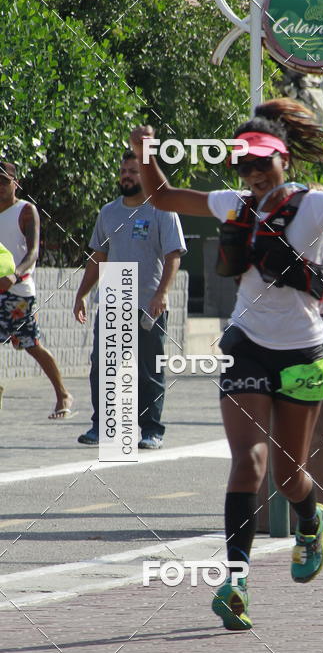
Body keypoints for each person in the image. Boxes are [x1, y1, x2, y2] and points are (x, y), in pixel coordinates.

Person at [129, 99, 323, 631]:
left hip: (304, 351)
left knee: (289, 476)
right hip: (247, 344)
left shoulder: (316, 205)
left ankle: (311, 520)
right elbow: (163, 195)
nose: (254, 173)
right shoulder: (232, 203)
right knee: (249, 463)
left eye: (263, 162)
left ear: (284, 159)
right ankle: (235, 581)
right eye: (244, 164)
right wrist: (145, 154)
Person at [73, 150, 186, 449]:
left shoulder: (162, 210)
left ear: (147, 175)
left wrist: (162, 293)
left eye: (134, 171)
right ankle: (103, 427)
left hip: (148, 305)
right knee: (104, 366)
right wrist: (82, 294)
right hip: (112, 300)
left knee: (148, 370)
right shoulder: (108, 212)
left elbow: (173, 255)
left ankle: (151, 430)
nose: (127, 176)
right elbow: (99, 256)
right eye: (124, 171)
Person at [0, 160, 74, 418]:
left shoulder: (25, 211)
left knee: (31, 345)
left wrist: (15, 275)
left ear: (15, 183)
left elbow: (33, 253)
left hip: (18, 292)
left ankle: (63, 393)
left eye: (3, 181)